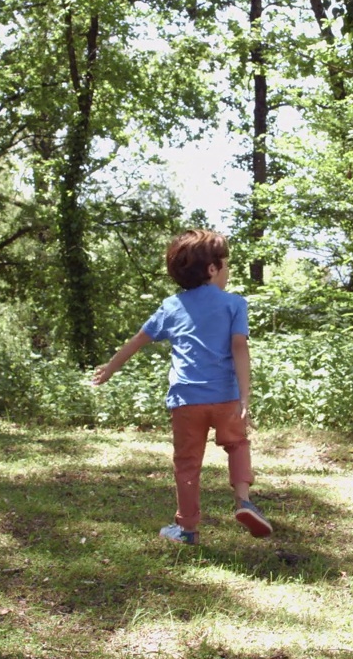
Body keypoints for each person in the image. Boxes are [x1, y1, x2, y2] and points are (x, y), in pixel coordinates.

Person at [92, 229, 272, 545]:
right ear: (213, 269)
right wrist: (245, 394)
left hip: (186, 399)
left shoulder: (172, 306)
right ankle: (243, 500)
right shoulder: (234, 304)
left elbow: (139, 340)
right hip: (226, 396)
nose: (227, 272)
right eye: (226, 265)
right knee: (238, 444)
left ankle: (187, 529)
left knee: (187, 463)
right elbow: (239, 347)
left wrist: (110, 367)